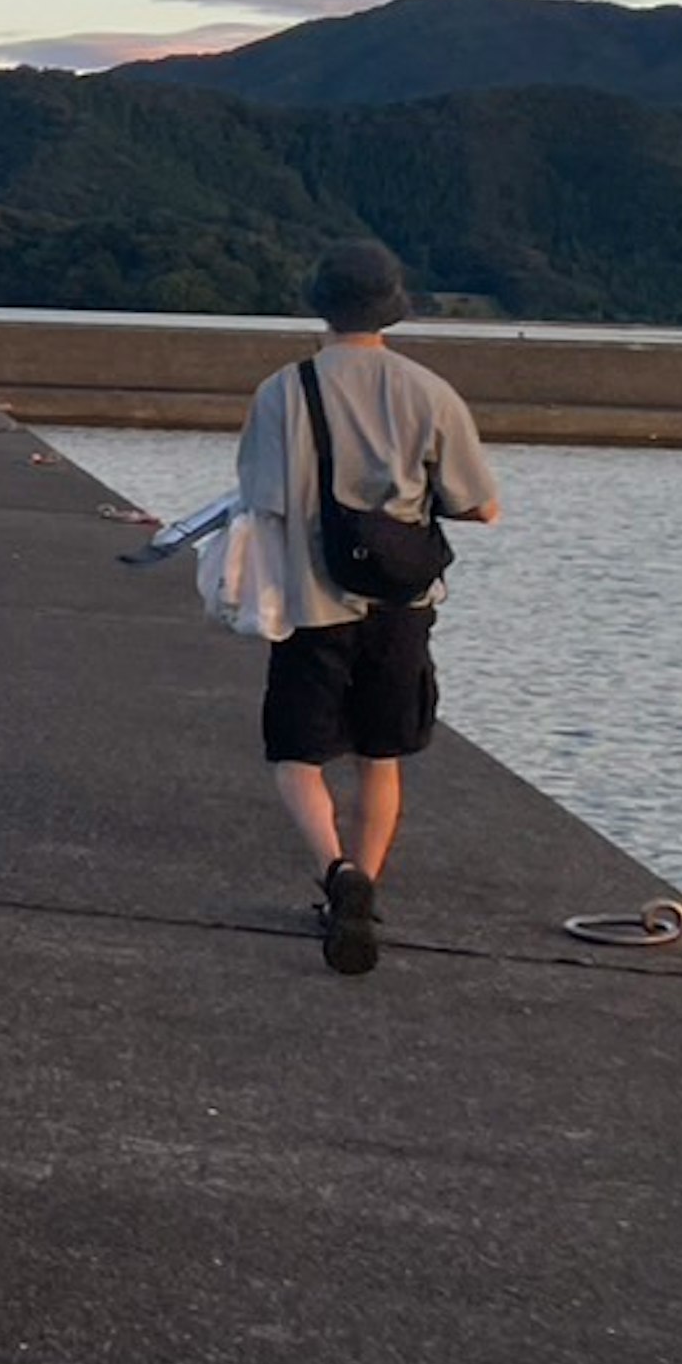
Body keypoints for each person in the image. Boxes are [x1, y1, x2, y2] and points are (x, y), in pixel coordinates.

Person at [236, 239, 502, 976]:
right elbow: (481, 506)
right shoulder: (431, 392)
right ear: (392, 306)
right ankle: (366, 883)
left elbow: (261, 502)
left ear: (320, 304)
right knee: (380, 758)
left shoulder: (281, 391)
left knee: (296, 755)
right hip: (400, 606)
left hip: (309, 604)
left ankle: (336, 873)